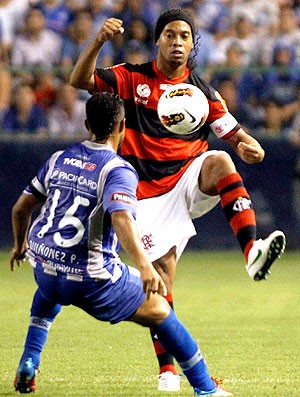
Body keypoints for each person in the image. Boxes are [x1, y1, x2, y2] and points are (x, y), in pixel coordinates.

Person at [69, 8, 286, 392]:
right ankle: (167, 369)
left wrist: (249, 145)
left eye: (184, 36)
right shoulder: (131, 77)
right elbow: (78, 79)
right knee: (162, 280)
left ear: (192, 44)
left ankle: (252, 250)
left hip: (185, 180)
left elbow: (232, 133)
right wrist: (100, 40)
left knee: (220, 159)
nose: (177, 42)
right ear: (158, 41)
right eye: (170, 35)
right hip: (143, 195)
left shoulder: (202, 91)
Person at [10, 92, 232, 397]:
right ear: (122, 127)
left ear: (87, 123)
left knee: (50, 291)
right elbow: (123, 219)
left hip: (44, 264)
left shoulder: (58, 158)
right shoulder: (118, 169)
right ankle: (206, 388)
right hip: (92, 279)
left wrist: (19, 245)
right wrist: (144, 266)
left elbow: (21, 208)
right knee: (161, 312)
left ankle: (28, 362)